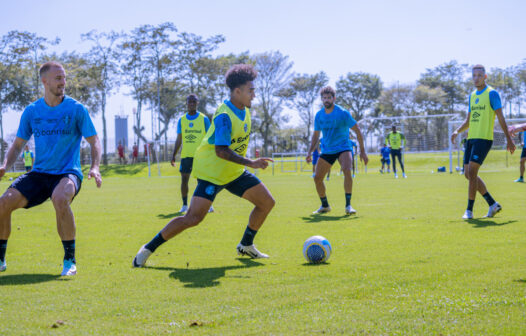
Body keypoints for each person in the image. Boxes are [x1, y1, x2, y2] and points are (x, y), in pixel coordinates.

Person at [133, 64, 275, 267]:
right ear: (237, 91)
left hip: (233, 172)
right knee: (193, 218)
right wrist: (251, 162)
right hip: (212, 174)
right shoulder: (225, 116)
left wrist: (246, 164)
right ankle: (147, 248)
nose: (254, 94)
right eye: (250, 90)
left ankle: (246, 244)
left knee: (266, 203)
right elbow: (221, 150)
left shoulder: (245, 110)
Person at [0, 61, 102, 275]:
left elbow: (94, 141)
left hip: (68, 173)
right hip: (39, 174)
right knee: (4, 203)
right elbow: (18, 144)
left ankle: (69, 260)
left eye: (64, 78)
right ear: (44, 81)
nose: (63, 82)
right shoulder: (32, 111)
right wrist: (4, 165)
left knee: (59, 198)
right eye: (58, 78)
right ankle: (1, 259)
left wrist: (95, 167)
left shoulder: (76, 109)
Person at [451, 64, 515, 219]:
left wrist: (509, 139)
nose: (476, 78)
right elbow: (468, 120)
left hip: (484, 139)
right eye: (474, 75)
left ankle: (469, 211)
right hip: (471, 139)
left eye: (479, 75)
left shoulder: (492, 94)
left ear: (485, 77)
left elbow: (500, 118)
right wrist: (457, 131)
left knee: (472, 172)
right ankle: (492, 204)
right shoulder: (472, 96)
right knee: (467, 174)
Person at [306, 86, 368, 215]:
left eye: (329, 97)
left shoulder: (343, 113)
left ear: (334, 98)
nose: (327, 100)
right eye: (324, 98)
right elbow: (316, 135)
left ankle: (348, 205)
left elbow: (357, 130)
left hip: (343, 147)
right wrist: (309, 152)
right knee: (317, 178)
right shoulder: (319, 116)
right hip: (327, 150)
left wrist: (362, 151)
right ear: (322, 99)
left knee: (346, 170)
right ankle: (325, 205)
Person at [171, 94, 211, 213]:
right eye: (189, 102)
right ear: (187, 103)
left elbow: (209, 137)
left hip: (201, 155)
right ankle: (184, 205)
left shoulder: (204, 119)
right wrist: (173, 154)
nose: (191, 104)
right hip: (186, 155)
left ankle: (208, 205)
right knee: (184, 180)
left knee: (202, 181)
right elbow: (179, 138)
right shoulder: (182, 120)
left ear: (197, 103)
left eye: (194, 102)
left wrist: (211, 153)